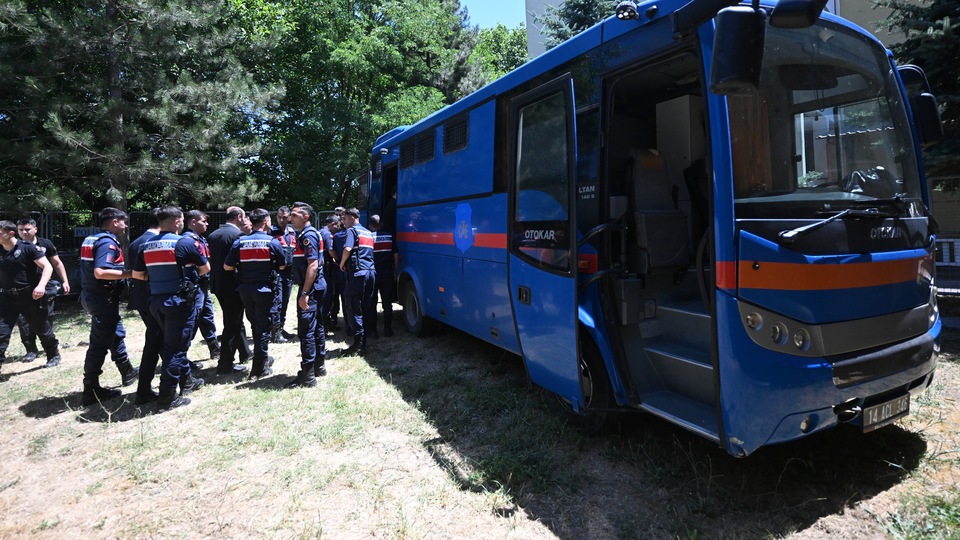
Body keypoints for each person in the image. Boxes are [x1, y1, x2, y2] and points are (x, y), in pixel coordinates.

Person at [131, 206, 207, 411]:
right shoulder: (184, 243)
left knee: (167, 346)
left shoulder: (145, 245)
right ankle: (167, 397)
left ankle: (184, 383)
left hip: (156, 302)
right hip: (178, 303)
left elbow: (137, 275)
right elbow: (205, 269)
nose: (182, 223)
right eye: (181, 220)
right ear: (176, 222)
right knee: (175, 350)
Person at [78, 207, 139, 406]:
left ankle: (127, 372)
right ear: (114, 221)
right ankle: (91, 388)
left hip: (94, 295)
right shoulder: (107, 242)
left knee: (116, 333)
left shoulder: (93, 239)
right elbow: (101, 272)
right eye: (124, 221)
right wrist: (131, 274)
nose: (126, 225)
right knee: (99, 344)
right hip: (102, 297)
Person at [224, 208, 286, 379]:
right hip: (265, 291)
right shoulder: (272, 242)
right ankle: (259, 367)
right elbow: (282, 266)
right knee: (263, 328)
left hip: (245, 290)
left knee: (255, 325)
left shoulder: (240, 242)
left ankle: (261, 361)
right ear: (266, 222)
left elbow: (227, 266)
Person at [0, 220, 61, 379]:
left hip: (28, 296)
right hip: (6, 298)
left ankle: (53, 354)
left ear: (10, 233)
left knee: (41, 327)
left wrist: (41, 286)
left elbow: (47, 267)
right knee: (1, 332)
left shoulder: (27, 248)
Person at [15, 218, 70, 363]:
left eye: (27, 229)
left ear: (35, 229)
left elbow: (57, 263)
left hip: (45, 286)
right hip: (24, 288)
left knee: (45, 316)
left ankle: (51, 350)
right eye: (20, 229)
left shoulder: (45, 244)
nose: (24, 232)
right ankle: (31, 350)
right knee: (23, 320)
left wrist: (65, 281)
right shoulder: (14, 246)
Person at [285, 202, 327, 387]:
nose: (290, 217)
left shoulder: (308, 235)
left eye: (294, 215)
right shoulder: (307, 234)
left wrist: (304, 293)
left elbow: (313, 264)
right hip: (316, 286)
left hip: (310, 289)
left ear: (306, 217)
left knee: (306, 331)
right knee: (317, 326)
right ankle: (319, 366)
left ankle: (308, 375)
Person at [207, 206, 250, 375]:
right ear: (239, 217)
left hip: (218, 285)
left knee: (234, 321)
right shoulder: (237, 236)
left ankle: (245, 352)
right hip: (233, 285)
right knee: (232, 324)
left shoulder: (213, 234)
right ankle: (225, 364)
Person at [127, 208, 163, 405]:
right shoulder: (154, 242)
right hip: (155, 299)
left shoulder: (135, 242)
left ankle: (184, 377)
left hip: (141, 298)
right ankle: (143, 390)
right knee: (155, 342)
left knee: (158, 339)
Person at [182, 210, 221, 362]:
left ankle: (214, 347)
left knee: (207, 316)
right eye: (203, 221)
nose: (207, 224)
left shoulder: (200, 239)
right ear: (193, 222)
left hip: (202, 285)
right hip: (193, 286)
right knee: (192, 319)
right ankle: (182, 356)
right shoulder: (187, 240)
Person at [339, 208, 376, 355]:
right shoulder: (368, 232)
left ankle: (358, 345)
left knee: (353, 307)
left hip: (358, 273)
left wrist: (342, 263)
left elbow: (347, 249)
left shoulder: (352, 231)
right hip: (371, 272)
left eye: (345, 219)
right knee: (366, 307)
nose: (343, 222)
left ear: (352, 218)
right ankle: (364, 340)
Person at [368, 214, 399, 338]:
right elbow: (396, 256)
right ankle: (388, 329)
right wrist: (395, 272)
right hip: (387, 273)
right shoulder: (390, 236)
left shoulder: (368, 237)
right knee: (387, 302)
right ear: (382, 225)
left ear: (370, 226)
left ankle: (373, 331)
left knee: (372, 302)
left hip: (373, 273)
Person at [270, 206, 297, 343]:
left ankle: (281, 328)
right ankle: (274, 331)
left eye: (284, 217)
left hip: (289, 272)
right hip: (276, 272)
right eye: (279, 217)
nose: (281, 220)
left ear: (289, 218)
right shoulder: (271, 231)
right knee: (278, 301)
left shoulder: (292, 232)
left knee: (285, 300)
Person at [320, 214, 341, 332]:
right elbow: (331, 251)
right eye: (337, 225)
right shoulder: (327, 234)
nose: (338, 228)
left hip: (324, 268)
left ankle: (326, 323)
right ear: (332, 224)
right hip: (325, 269)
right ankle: (323, 327)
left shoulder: (320, 231)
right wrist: (339, 260)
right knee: (327, 298)